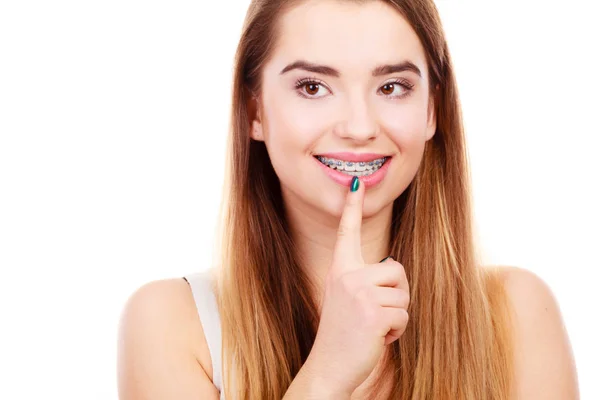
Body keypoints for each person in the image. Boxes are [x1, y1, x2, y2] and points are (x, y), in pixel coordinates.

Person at [117, 0, 579, 398]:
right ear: (253, 110)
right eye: (313, 87)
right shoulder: (172, 325)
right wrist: (327, 375)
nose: (359, 127)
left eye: (392, 87)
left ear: (431, 111)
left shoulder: (517, 316)